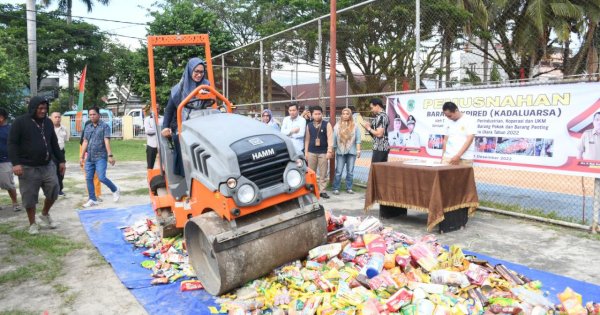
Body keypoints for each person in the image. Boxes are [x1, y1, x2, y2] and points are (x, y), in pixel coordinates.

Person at [8, 96, 65, 234]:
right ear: (33, 108)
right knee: (29, 197)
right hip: (27, 167)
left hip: (47, 165)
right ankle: (32, 224)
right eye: (40, 108)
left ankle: (44, 214)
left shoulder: (48, 122)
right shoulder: (20, 122)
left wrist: (61, 160)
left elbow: (54, 142)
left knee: (54, 189)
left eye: (45, 108)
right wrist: (16, 164)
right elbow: (12, 144)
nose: (43, 111)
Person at [161, 57, 210, 176]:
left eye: (201, 72)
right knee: (181, 141)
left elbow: (211, 103)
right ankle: (185, 177)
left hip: (202, 124)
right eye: (196, 71)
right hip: (183, 125)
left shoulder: (207, 86)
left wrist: (207, 96)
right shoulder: (179, 89)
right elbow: (169, 110)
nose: (199, 75)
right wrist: (165, 127)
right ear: (189, 71)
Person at [80, 107, 120, 208]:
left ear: (98, 115)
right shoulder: (88, 127)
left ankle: (115, 189)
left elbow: (106, 141)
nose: (92, 116)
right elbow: (85, 141)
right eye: (90, 115)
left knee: (101, 177)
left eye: (94, 114)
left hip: (101, 157)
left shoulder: (105, 126)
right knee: (89, 178)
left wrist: (110, 155)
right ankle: (92, 199)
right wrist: (82, 157)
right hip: (89, 157)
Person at [304, 106, 333, 199]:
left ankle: (322, 191)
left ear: (322, 114)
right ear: (312, 115)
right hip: (311, 152)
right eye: (315, 114)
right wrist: (306, 152)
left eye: (319, 114)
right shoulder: (309, 125)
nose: (317, 116)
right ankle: (312, 190)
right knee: (311, 173)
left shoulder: (326, 124)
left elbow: (330, 138)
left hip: (323, 152)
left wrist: (329, 151)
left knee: (323, 173)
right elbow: (307, 140)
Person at [332, 107, 361, 195]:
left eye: (347, 114)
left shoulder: (355, 126)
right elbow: (334, 139)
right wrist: (333, 150)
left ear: (350, 115)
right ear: (341, 115)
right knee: (339, 171)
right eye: (343, 114)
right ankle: (336, 188)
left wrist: (358, 151)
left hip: (352, 152)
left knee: (350, 171)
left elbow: (358, 139)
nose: (345, 115)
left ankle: (349, 188)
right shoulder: (337, 126)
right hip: (340, 152)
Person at [0, 108, 22, 212]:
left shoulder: (10, 129)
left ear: (1, 117)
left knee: (8, 183)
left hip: (5, 160)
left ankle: (15, 202)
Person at [80, 119, 102, 201]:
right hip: (86, 151)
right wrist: (83, 157)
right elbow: (84, 144)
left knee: (97, 174)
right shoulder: (88, 126)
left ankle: (97, 194)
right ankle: (91, 196)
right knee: (89, 175)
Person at [364, 98, 390, 163]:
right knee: (379, 170)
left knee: (376, 170)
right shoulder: (380, 116)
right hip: (379, 147)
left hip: (380, 147)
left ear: (377, 106)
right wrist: (370, 127)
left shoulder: (382, 117)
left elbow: (379, 134)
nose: (371, 110)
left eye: (372, 107)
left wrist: (369, 128)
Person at [51, 112, 69, 196]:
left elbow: (65, 139)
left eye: (59, 117)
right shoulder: (49, 129)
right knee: (52, 171)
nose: (57, 118)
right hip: (52, 152)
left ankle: (60, 189)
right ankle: (52, 190)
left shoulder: (64, 128)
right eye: (55, 117)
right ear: (51, 118)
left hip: (61, 152)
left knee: (62, 170)